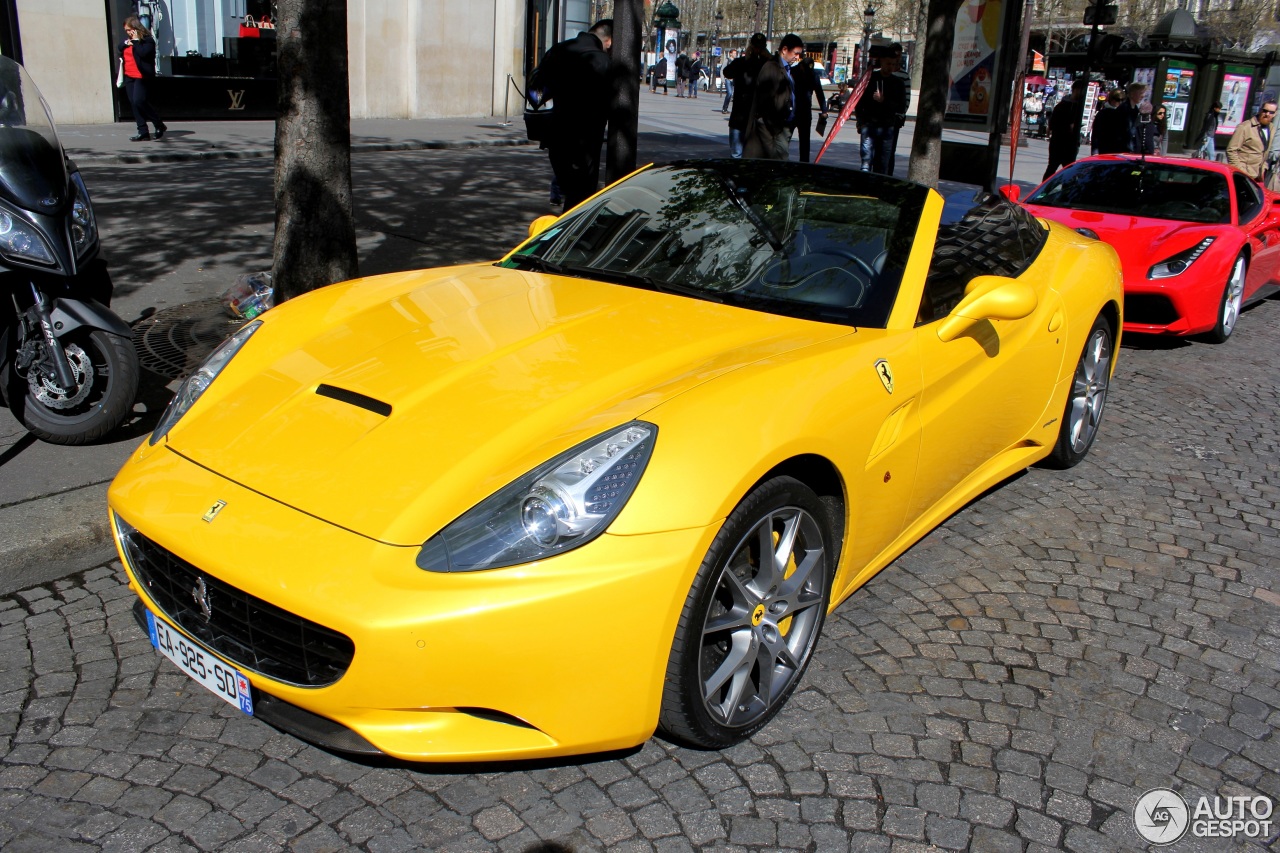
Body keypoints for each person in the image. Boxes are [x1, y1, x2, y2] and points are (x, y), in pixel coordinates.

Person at [532, 20, 612, 210]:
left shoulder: (558, 51)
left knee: (570, 190)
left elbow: (535, 94)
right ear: (608, 41)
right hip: (585, 140)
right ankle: (569, 236)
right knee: (581, 196)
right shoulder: (602, 60)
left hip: (557, 135)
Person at [744, 33, 805, 160]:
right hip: (773, 130)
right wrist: (774, 133)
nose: (797, 57)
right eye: (795, 53)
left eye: (800, 54)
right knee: (778, 166)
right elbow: (764, 105)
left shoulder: (786, 69)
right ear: (784, 50)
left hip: (781, 128)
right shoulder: (771, 68)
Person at [854, 48, 908, 174]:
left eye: (893, 64)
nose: (891, 67)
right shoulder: (870, 79)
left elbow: (901, 106)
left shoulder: (898, 83)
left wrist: (884, 101)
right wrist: (861, 122)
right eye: (888, 64)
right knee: (866, 163)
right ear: (882, 62)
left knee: (883, 164)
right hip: (869, 124)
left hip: (887, 126)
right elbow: (859, 102)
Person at [119, 15, 166, 141]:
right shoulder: (127, 41)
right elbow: (119, 48)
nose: (128, 33)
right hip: (129, 76)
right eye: (126, 31)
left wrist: (134, 42)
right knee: (134, 103)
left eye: (129, 30)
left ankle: (158, 124)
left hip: (142, 76)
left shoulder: (147, 40)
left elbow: (143, 53)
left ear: (136, 28)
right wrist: (125, 44)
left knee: (139, 100)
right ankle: (143, 131)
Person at [722, 34, 767, 158]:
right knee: (741, 154)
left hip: (750, 117)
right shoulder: (765, 63)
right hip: (745, 116)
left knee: (740, 154)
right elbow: (727, 72)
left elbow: (727, 72)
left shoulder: (762, 64)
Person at [1043, 79, 1087, 181]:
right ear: (1075, 90)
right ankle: (1045, 192)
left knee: (1059, 168)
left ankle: (1046, 191)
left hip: (1064, 143)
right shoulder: (1066, 106)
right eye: (1081, 90)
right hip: (1062, 142)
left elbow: (1051, 125)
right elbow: (1053, 124)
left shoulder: (1069, 105)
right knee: (1058, 168)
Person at [790, 50, 828, 162]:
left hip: (805, 112)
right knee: (786, 139)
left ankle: (804, 164)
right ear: (801, 65)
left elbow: (819, 93)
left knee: (805, 141)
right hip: (793, 110)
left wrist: (824, 110)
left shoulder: (812, 75)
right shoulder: (793, 72)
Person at [1227, 99, 1277, 182]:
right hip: (1243, 176)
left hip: (1258, 177)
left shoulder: (1272, 128)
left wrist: (1264, 168)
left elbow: (1265, 151)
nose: (1267, 114)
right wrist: (1241, 171)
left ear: (1275, 114)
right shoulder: (1245, 127)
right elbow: (1231, 150)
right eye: (1265, 111)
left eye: (1271, 112)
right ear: (1260, 110)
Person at [1090, 88, 1127, 155]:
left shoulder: (1123, 113)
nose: (1120, 102)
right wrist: (1095, 151)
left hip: (1118, 151)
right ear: (1112, 99)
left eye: (1122, 100)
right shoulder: (1103, 113)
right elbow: (1096, 134)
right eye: (1118, 100)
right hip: (1104, 150)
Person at [1116, 81, 1147, 152]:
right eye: (1141, 93)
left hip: (1129, 147)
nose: (1143, 96)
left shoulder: (1135, 109)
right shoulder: (1124, 108)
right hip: (1121, 148)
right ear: (1132, 94)